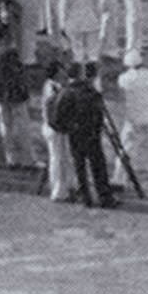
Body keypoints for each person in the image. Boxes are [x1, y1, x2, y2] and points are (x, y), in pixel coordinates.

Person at [51, 61, 119, 207]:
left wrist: (67, 128)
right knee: (98, 165)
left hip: (75, 134)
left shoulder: (65, 93)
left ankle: (85, 196)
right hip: (92, 134)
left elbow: (57, 118)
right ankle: (104, 196)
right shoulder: (91, 92)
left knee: (79, 165)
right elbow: (100, 114)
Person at [114, 50, 148, 193]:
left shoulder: (124, 78)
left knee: (126, 149)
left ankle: (119, 179)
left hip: (133, 118)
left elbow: (121, 96)